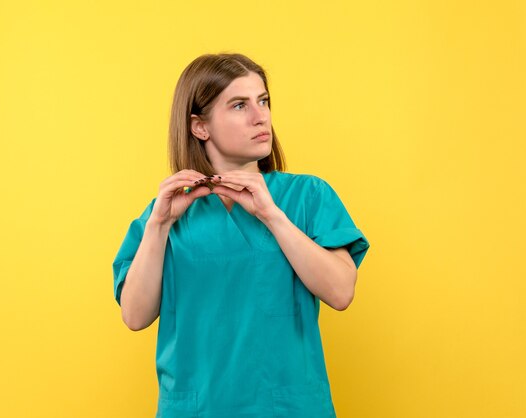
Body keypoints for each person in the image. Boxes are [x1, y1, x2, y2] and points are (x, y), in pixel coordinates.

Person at [112, 52, 370, 418]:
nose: (260, 116)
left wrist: (272, 215)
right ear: (200, 127)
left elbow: (341, 291)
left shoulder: (307, 196)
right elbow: (135, 316)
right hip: (196, 409)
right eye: (239, 105)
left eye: (263, 101)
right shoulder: (165, 214)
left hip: (289, 408)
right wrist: (158, 226)